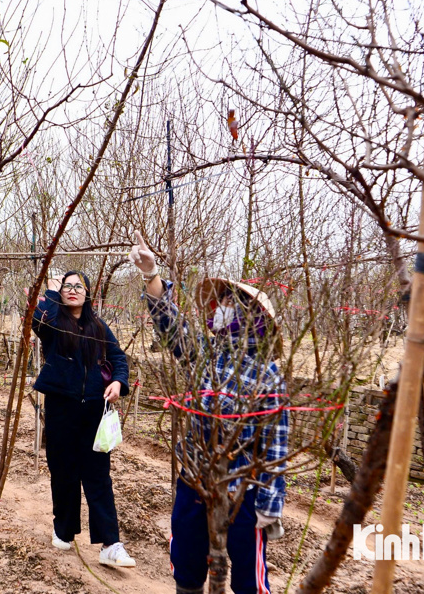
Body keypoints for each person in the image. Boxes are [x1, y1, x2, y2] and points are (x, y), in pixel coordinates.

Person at [129, 232, 288, 594]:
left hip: (243, 489)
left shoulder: (268, 374)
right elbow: (172, 329)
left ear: (251, 317)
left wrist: (270, 503)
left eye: (229, 303)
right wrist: (151, 275)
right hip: (195, 479)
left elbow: (276, 444)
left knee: (249, 576)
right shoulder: (207, 355)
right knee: (186, 561)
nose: (218, 309)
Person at [32, 270, 136, 567]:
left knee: (98, 476)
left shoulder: (98, 327)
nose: (73, 290)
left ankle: (110, 544)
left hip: (93, 410)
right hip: (61, 407)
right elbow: (38, 321)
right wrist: (50, 293)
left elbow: (118, 359)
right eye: (67, 286)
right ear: (60, 292)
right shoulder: (53, 323)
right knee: (63, 471)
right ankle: (63, 530)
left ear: (88, 293)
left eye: (79, 286)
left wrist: (118, 382)